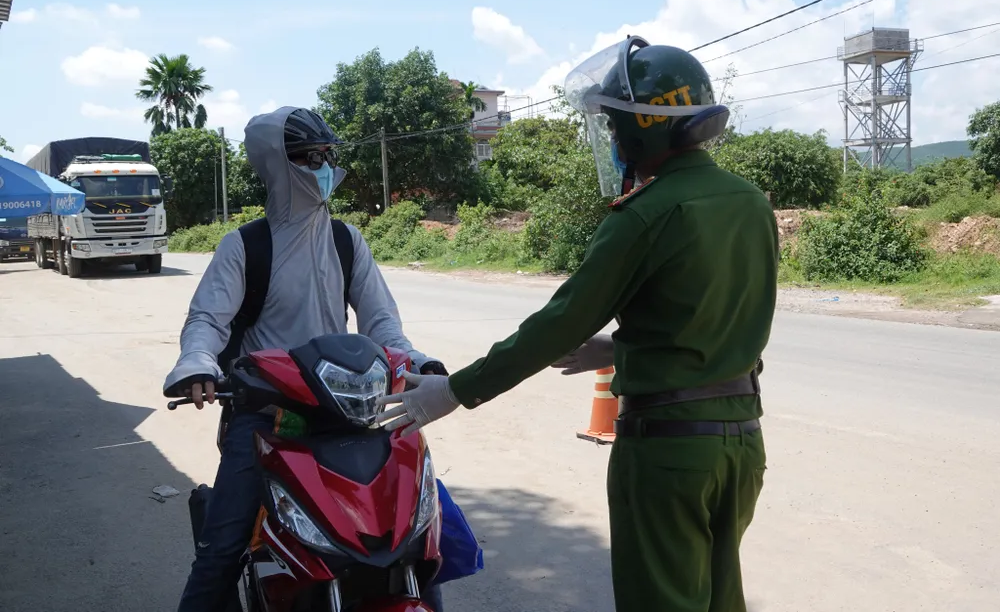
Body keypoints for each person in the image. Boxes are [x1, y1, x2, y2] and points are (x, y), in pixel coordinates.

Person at [377, 37, 779, 612]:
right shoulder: (748, 202)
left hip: (668, 454)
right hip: (741, 444)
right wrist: (620, 347)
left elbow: (558, 323)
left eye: (615, 126)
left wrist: (454, 391)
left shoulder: (645, 214)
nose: (613, 140)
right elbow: (713, 316)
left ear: (645, 128)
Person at [163, 106, 447, 612]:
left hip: (348, 408)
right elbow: (207, 320)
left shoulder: (346, 240)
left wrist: (416, 361)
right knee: (222, 549)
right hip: (269, 413)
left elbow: (382, 325)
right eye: (308, 157)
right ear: (277, 163)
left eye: (326, 156)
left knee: (418, 529)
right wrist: (197, 363)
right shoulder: (244, 246)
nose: (322, 166)